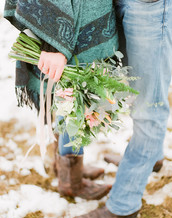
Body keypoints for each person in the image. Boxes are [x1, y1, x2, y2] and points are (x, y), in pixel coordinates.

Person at [72, 0, 172, 218]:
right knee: (126, 83)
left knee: (149, 104)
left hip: (151, 6)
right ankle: (152, 156)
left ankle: (124, 203)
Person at [4, 0, 118, 200]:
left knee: (74, 93)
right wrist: (54, 43)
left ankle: (65, 163)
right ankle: (71, 181)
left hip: (85, 13)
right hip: (67, 23)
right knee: (74, 95)